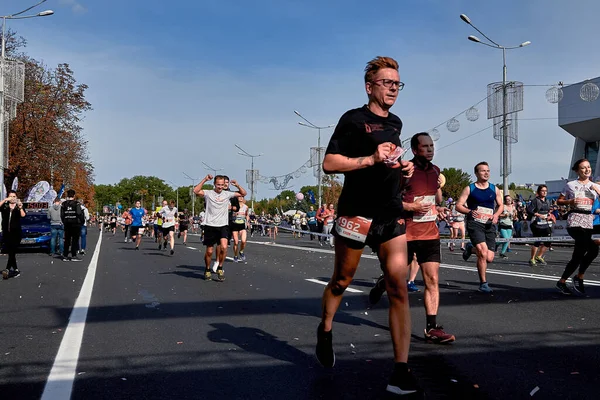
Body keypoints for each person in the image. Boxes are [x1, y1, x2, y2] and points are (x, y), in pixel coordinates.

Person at [315, 56, 419, 395]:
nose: (393, 88)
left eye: (397, 84)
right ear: (369, 87)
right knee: (342, 279)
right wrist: (371, 159)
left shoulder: (397, 123)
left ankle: (400, 371)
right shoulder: (353, 119)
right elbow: (330, 163)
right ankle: (326, 329)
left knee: (398, 288)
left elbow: (388, 161)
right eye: (387, 82)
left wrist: (403, 169)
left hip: (390, 213)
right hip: (356, 213)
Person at [369, 132, 454, 344]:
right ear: (415, 150)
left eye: (431, 146)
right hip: (404, 234)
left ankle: (432, 328)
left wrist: (438, 208)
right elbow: (387, 200)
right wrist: (411, 207)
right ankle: (381, 284)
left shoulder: (436, 172)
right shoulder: (405, 171)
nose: (430, 149)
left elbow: (430, 198)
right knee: (394, 279)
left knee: (432, 280)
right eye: (424, 146)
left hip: (430, 234)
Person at [455, 162, 503, 293]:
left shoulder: (494, 189)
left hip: (489, 224)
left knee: (489, 258)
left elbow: (500, 205)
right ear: (476, 173)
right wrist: (469, 211)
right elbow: (458, 205)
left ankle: (471, 249)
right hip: (475, 223)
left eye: (488, 170)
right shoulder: (470, 188)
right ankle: (483, 283)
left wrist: (496, 215)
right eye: (483, 171)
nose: (486, 173)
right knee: (482, 253)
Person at [555, 159, 600, 295]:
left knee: (593, 251)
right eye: (583, 168)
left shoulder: (595, 186)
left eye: (588, 167)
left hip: (588, 220)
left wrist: (598, 190)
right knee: (582, 248)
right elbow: (559, 201)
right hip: (574, 220)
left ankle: (572, 278)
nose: (587, 170)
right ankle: (571, 279)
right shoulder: (570, 185)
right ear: (577, 171)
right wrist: (571, 201)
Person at [194, 175, 246, 282]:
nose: (220, 187)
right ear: (214, 184)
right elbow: (196, 191)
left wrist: (237, 185)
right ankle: (207, 269)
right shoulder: (208, 193)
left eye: (222, 185)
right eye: (218, 185)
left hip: (223, 225)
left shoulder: (227, 194)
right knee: (209, 251)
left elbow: (243, 194)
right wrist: (204, 180)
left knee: (224, 247)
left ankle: (220, 267)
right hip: (210, 225)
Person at [0, 191, 26, 279]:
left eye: (14, 196)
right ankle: (16, 270)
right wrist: (5, 200)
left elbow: (23, 215)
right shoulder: (5, 206)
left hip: (16, 233)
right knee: (11, 252)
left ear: (16, 197)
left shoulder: (18, 206)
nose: (12, 198)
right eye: (10, 196)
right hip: (7, 232)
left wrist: (20, 207)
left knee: (12, 250)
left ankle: (7, 269)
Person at [527, 185, 554, 266]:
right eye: (542, 190)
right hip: (536, 223)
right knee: (537, 241)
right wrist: (538, 215)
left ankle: (539, 256)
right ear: (539, 192)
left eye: (546, 190)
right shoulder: (535, 201)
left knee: (548, 240)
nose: (544, 192)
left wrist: (550, 215)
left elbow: (548, 211)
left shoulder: (548, 201)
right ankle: (532, 258)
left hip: (545, 223)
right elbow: (529, 210)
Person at [61, 189, 85, 262]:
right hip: (75, 224)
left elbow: (62, 215)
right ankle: (73, 255)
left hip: (67, 224)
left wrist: (64, 221)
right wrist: (82, 221)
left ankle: (65, 255)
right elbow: (79, 213)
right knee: (75, 240)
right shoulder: (77, 204)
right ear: (74, 196)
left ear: (68, 195)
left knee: (67, 240)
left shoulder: (64, 204)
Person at [231, 197, 249, 262]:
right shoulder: (234, 206)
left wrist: (247, 221)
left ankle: (241, 251)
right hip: (235, 224)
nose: (241, 198)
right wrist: (234, 214)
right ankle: (235, 256)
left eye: (242, 196)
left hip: (242, 225)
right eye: (239, 196)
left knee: (243, 241)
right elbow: (230, 214)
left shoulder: (246, 207)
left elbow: (247, 215)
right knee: (236, 242)